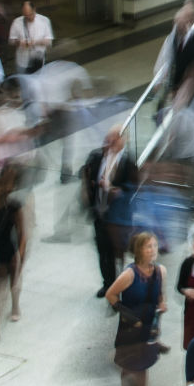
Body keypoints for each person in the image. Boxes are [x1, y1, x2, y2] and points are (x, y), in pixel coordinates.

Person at [106, 232, 167, 386]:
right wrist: (129, 316)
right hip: (130, 330)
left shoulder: (160, 271)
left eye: (155, 245)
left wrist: (162, 304)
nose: (153, 250)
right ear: (139, 250)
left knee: (143, 367)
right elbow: (111, 295)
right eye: (148, 246)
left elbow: (161, 296)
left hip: (148, 329)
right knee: (128, 367)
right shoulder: (129, 274)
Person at [82, 127, 139, 298]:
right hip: (100, 212)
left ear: (123, 140)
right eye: (109, 137)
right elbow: (86, 174)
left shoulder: (128, 162)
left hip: (118, 217)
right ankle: (107, 283)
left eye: (115, 138)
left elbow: (133, 188)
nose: (111, 141)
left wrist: (117, 191)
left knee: (117, 252)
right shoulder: (97, 157)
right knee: (102, 250)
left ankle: (119, 284)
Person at [0, 163, 27, 348]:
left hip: (9, 251)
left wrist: (21, 255)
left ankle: (15, 304)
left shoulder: (13, 207)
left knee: (13, 284)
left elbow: (22, 234)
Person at [8, 1, 54, 74]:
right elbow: (11, 41)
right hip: (22, 61)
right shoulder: (17, 22)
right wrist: (20, 43)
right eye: (26, 15)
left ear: (34, 10)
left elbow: (49, 41)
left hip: (38, 60)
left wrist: (35, 42)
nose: (28, 17)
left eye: (30, 14)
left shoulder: (44, 20)